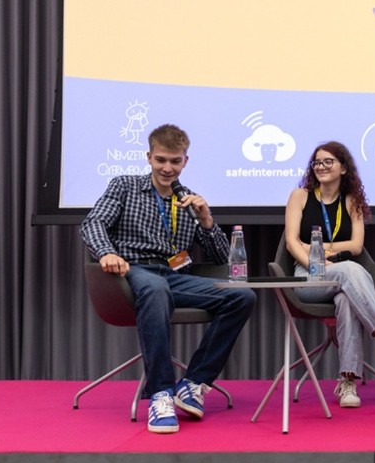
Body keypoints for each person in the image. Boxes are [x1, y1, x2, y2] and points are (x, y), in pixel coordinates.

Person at [81, 124, 256, 433]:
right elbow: (93, 224)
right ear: (149, 157)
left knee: (242, 296)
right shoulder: (125, 186)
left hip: (176, 275)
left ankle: (193, 382)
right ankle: (161, 393)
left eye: (175, 161)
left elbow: (219, 258)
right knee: (156, 289)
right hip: (134, 271)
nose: (167, 168)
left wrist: (206, 220)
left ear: (185, 162)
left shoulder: (188, 199)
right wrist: (107, 252)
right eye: (161, 159)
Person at [285, 141, 375, 408]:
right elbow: (291, 242)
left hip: (342, 275)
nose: (321, 167)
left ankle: (348, 382)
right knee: (352, 271)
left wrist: (321, 248)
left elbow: (356, 245)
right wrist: (314, 259)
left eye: (328, 161)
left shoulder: (351, 199)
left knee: (345, 298)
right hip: (307, 275)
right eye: (317, 162)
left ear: (343, 168)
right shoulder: (300, 196)